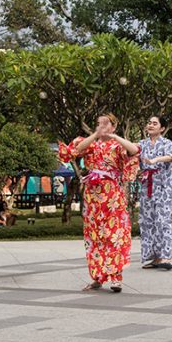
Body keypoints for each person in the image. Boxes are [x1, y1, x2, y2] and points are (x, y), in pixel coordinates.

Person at [59, 113, 139, 292]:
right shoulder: (90, 143)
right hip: (92, 197)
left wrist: (115, 136)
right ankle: (97, 277)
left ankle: (116, 278)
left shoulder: (117, 144)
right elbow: (74, 150)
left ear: (113, 126)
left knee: (114, 235)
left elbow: (134, 150)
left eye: (106, 123)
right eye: (98, 123)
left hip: (112, 198)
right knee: (94, 236)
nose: (102, 126)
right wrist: (95, 135)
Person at [138, 116, 172, 270]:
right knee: (147, 220)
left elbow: (171, 157)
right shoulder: (142, 144)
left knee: (163, 220)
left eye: (155, 123)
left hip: (163, 186)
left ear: (162, 128)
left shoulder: (167, 143)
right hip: (146, 186)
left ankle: (165, 257)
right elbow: (132, 152)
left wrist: (155, 160)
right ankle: (153, 257)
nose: (151, 125)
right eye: (149, 122)